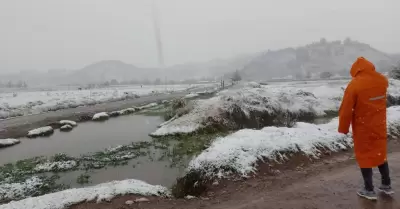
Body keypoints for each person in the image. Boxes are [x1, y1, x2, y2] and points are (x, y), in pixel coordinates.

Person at [338, 57, 394, 200]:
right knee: (380, 153)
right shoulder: (382, 80)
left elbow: (346, 110)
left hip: (363, 127)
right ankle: (386, 185)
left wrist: (343, 128)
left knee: (364, 156)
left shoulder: (354, 85)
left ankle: (369, 190)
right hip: (379, 125)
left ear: (356, 70)